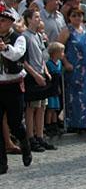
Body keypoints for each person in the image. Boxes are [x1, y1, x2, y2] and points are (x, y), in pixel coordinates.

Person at [0, 4, 32, 174]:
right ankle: (2, 163)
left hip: (13, 85)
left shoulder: (19, 38)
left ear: (11, 22)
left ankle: (24, 143)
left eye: (3, 21)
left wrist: (4, 48)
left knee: (15, 123)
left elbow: (17, 54)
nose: (0, 23)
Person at [22, 9, 56, 152]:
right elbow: (23, 60)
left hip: (41, 74)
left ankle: (40, 136)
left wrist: (46, 71)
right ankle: (30, 137)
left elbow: (42, 56)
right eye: (36, 17)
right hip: (32, 76)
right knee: (31, 108)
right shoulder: (25, 36)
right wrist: (35, 75)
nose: (38, 19)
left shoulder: (38, 35)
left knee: (42, 107)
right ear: (29, 19)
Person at [58, 7, 86, 133]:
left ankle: (85, 123)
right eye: (74, 15)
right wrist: (65, 62)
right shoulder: (67, 31)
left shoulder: (84, 29)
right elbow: (59, 48)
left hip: (84, 67)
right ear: (69, 17)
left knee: (84, 96)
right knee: (74, 96)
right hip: (72, 67)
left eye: (80, 15)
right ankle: (74, 123)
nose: (77, 18)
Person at [45, 42, 64, 136]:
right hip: (50, 88)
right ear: (55, 53)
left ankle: (55, 124)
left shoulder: (59, 63)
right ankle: (48, 125)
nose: (63, 54)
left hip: (56, 88)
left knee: (56, 108)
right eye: (61, 52)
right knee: (50, 108)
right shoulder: (48, 64)